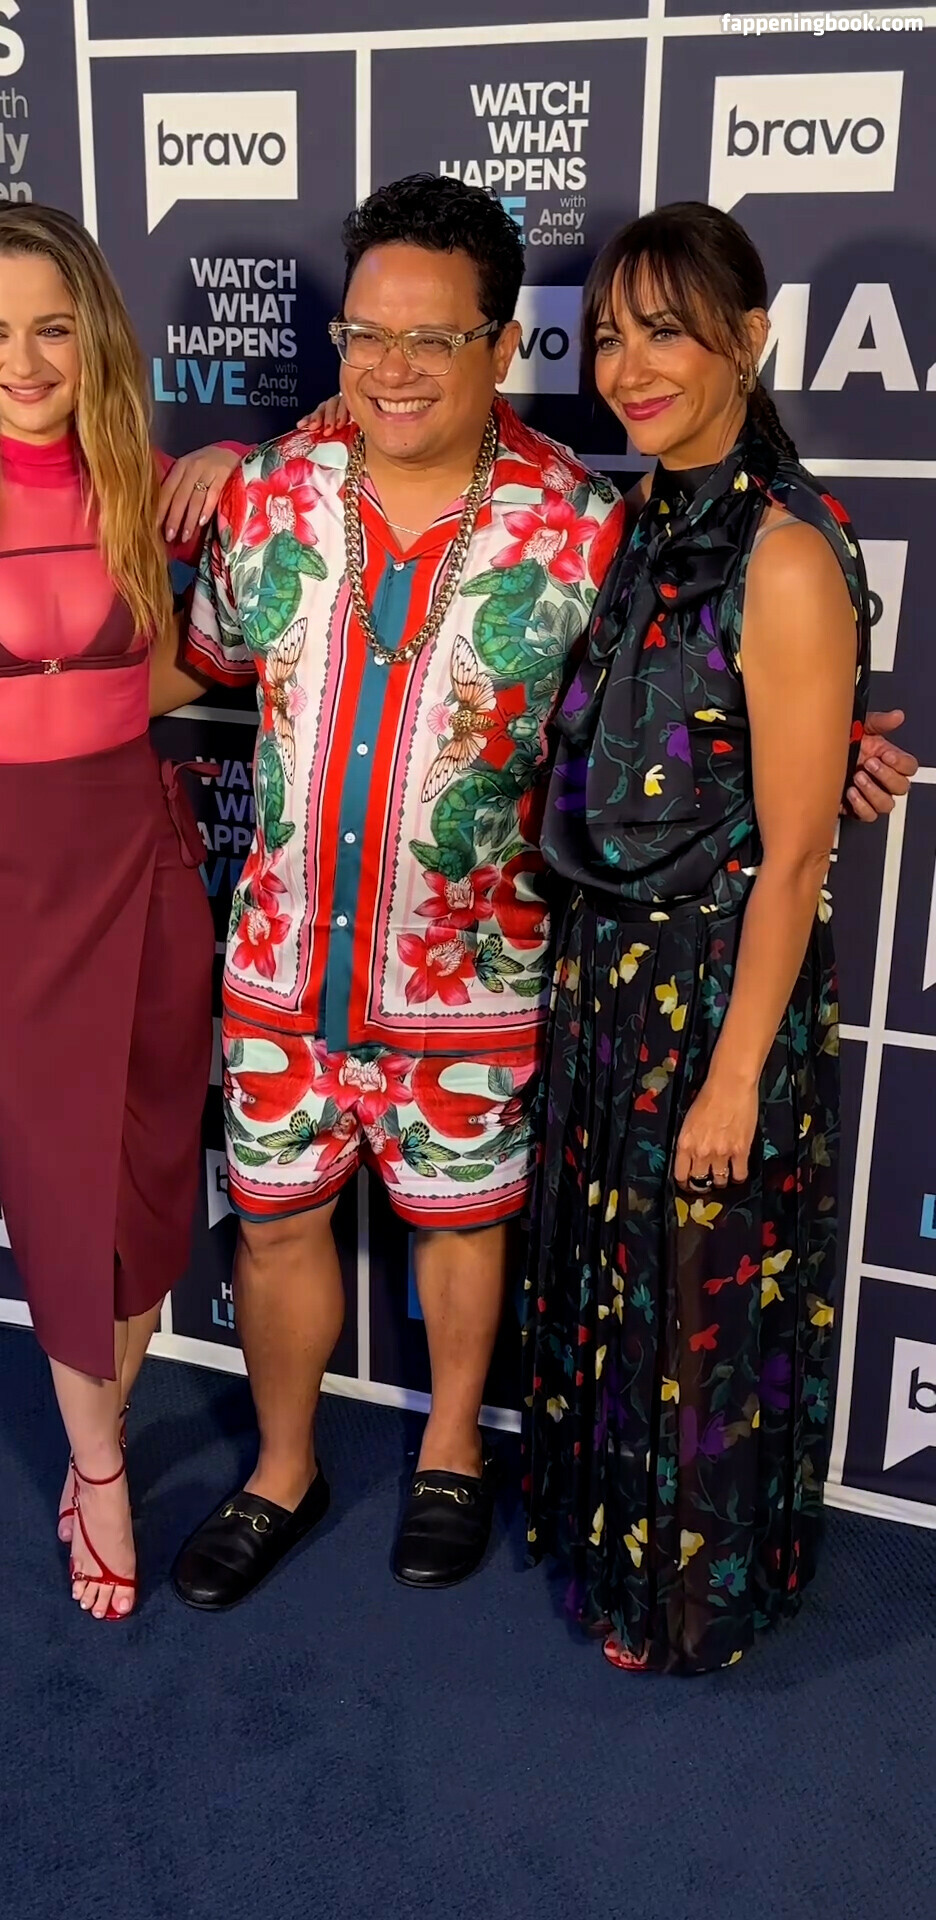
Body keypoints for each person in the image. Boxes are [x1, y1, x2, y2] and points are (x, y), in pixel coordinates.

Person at [156, 174, 913, 1612]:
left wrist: (831, 757)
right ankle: (283, 1467)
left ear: (503, 348)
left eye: (432, 339)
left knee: (462, 1228)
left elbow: (692, 706)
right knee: (273, 1224)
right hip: (280, 967)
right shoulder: (269, 495)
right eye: (366, 335)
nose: (391, 367)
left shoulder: (586, 528)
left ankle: (452, 1451)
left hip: (480, 974)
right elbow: (198, 664)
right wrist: (0, 710)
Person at [0, 204, 226, 1622]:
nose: (25, 361)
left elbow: (247, 603)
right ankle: (105, 1473)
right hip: (1, 887)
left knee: (146, 1185)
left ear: (95, 337)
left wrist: (233, 462)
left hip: (144, 858)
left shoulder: (138, 477)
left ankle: (95, 1430)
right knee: (59, 1193)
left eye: (53, 329)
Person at [524, 200, 876, 1673]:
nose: (627, 367)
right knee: (625, 1292)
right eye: (610, 335)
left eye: (665, 331)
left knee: (697, 1302)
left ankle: (693, 1602)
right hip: (612, 977)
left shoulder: (782, 552)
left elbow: (794, 856)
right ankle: (618, 1559)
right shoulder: (648, 517)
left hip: (716, 993)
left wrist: (733, 1081)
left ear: (750, 338)